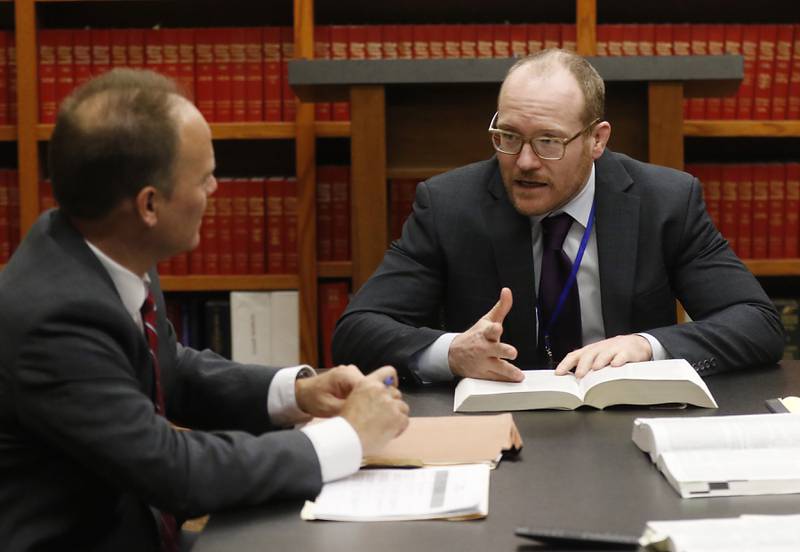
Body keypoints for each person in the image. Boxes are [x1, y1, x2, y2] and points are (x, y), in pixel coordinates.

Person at [0, 69, 409, 552]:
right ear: (149, 205)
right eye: (205, 176)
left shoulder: (100, 248)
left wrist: (297, 392)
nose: (215, 189)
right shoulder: (54, 317)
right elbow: (173, 470)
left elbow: (169, 370)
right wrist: (346, 439)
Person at [332, 48, 784, 384]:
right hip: (500, 427)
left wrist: (647, 346)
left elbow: (757, 323)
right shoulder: (450, 205)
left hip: (627, 420)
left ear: (597, 140)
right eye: (508, 137)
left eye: (548, 141)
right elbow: (357, 332)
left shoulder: (663, 201)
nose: (524, 161)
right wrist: (453, 353)